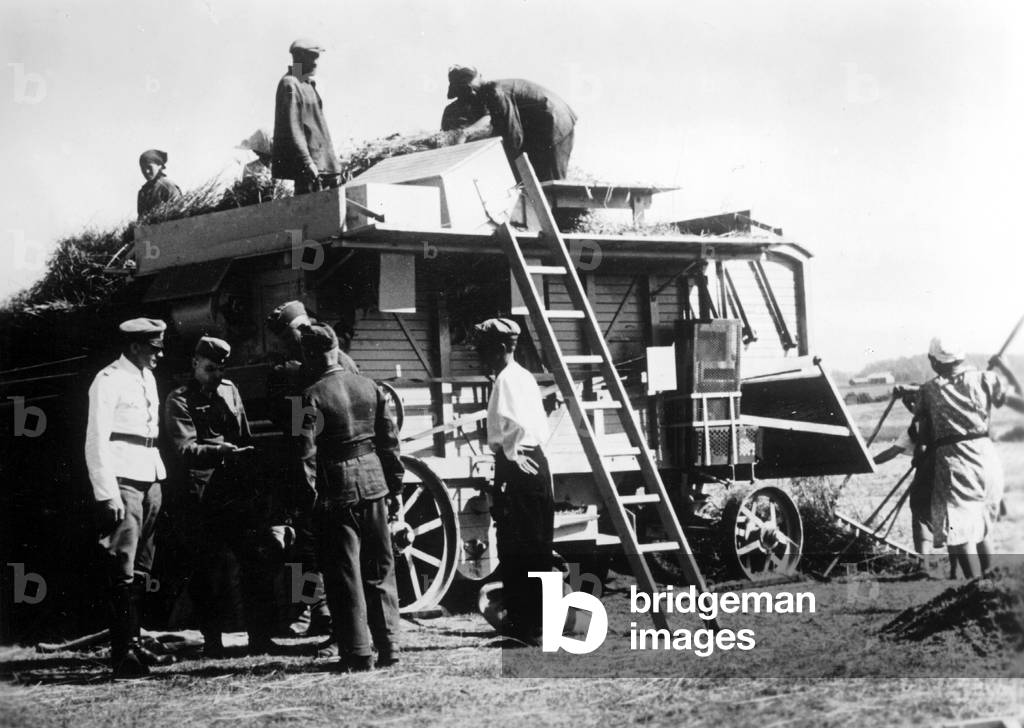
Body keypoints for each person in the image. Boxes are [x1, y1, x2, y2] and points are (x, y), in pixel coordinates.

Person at [163, 337, 279, 657]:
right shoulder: (179, 400)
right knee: (208, 570)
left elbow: (244, 437)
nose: (216, 375)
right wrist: (222, 453)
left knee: (254, 560)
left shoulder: (229, 390)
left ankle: (260, 638)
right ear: (195, 364)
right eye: (210, 368)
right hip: (200, 497)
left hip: (235, 493)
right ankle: (213, 642)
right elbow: (184, 449)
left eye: (221, 369)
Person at [297, 323, 404, 671]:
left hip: (335, 491)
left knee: (344, 573)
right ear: (337, 348)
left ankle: (357, 652)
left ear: (311, 355)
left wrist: (307, 499)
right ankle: (390, 648)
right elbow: (390, 441)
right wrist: (395, 487)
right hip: (374, 483)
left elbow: (304, 454)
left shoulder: (307, 397)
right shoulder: (371, 387)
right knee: (380, 569)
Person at [85, 318, 171, 678]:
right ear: (135, 346)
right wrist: (107, 493)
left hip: (150, 475)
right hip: (122, 479)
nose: (159, 354)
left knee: (141, 569)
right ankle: (123, 654)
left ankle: (135, 645)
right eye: (153, 348)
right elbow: (96, 439)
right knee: (122, 566)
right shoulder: (108, 380)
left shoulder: (145, 376)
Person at [914, 337, 1024, 579]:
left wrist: (919, 463)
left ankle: (976, 590)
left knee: (961, 532)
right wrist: (1004, 368)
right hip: (987, 460)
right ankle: (993, 588)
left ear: (934, 362)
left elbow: (923, 440)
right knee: (982, 527)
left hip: (955, 463)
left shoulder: (928, 391)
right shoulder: (985, 379)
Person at [475, 317, 553, 645]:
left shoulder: (506, 380)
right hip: (535, 461)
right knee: (536, 544)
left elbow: (515, 426)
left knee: (517, 544)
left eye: (488, 349)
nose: (483, 355)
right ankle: (535, 623)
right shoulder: (523, 377)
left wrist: (510, 453)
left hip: (518, 463)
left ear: (504, 348)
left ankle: (528, 626)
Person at [446, 66, 577, 181]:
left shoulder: (495, 92)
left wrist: (506, 168)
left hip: (554, 122)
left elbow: (514, 136)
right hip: (547, 123)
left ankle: (567, 210)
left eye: (465, 93)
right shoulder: (492, 91)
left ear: (470, 89)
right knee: (539, 181)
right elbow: (502, 130)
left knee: (550, 184)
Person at [272, 39, 341, 195]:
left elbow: (319, 128)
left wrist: (332, 164)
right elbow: (293, 127)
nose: (316, 63)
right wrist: (307, 161)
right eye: (312, 58)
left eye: (317, 58)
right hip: (311, 167)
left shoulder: (307, 84)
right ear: (299, 58)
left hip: (323, 164)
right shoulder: (290, 84)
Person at [872, 386, 934, 555]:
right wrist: (869, 462)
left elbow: (898, 452)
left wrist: (918, 459)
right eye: (907, 403)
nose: (910, 406)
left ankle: (925, 563)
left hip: (930, 472)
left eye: (913, 401)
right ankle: (951, 567)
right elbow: (892, 452)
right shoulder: (935, 418)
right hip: (950, 471)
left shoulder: (920, 422)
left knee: (920, 513)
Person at [137, 149, 182, 219]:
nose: (146, 171)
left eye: (149, 167)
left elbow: (179, 211)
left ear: (159, 166)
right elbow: (141, 219)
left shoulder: (167, 187)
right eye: (143, 168)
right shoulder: (143, 192)